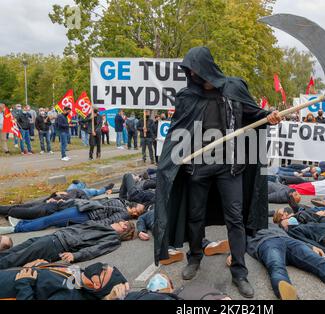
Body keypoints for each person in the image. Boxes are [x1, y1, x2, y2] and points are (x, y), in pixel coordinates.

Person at [153, 47, 281, 298]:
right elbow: (178, 130)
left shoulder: (234, 88)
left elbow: (253, 114)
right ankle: (195, 257)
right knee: (195, 216)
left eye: (194, 69)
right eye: (188, 70)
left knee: (235, 218)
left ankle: (240, 272)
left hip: (230, 166)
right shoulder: (187, 96)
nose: (190, 74)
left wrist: (269, 117)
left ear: (205, 68)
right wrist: (170, 162)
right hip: (197, 167)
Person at [0, 220, 135, 269]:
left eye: (124, 224)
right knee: (18, 250)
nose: (120, 222)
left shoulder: (113, 238)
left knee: (17, 257)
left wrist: (75, 255)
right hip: (54, 237)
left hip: (58, 245)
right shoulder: (106, 225)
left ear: (124, 230)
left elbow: (96, 250)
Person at [0, 198, 145, 234]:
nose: (138, 208)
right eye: (139, 207)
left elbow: (107, 221)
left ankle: (16, 229)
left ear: (135, 213)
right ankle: (21, 223)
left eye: (139, 210)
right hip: (83, 208)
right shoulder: (123, 203)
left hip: (86, 215)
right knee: (51, 218)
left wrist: (91, 222)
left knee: (49, 220)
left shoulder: (124, 214)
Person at [0, 261, 129, 300]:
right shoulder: (80, 275)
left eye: (104, 270)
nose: (102, 266)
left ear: (96, 285)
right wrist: (44, 266)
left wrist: (24, 284)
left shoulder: (70, 295)